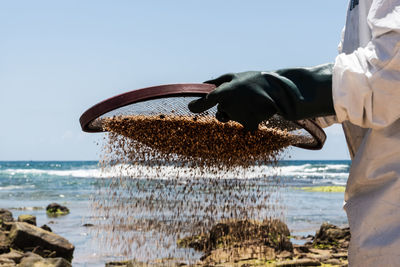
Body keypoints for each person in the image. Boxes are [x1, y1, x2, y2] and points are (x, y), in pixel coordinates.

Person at [188, 1, 400, 266]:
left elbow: (389, 73)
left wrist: (280, 91)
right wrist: (275, 114)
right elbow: (354, 86)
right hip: (378, 229)